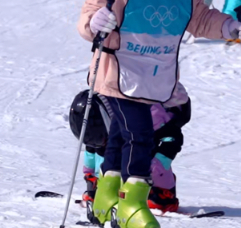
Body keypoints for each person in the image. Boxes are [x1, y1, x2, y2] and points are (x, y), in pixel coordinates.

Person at [78, 0, 241, 228]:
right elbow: (90, 14)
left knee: (119, 137)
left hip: (153, 80)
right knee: (140, 136)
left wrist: (229, 27)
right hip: (117, 77)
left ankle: (104, 199)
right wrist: (97, 22)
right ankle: (132, 207)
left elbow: (200, 19)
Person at [69, 83, 193, 214]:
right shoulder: (102, 121)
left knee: (143, 153)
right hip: (126, 96)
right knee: (108, 146)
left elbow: (168, 148)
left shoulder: (152, 123)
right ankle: (106, 183)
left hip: (159, 112)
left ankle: (164, 194)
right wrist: (92, 177)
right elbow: (94, 147)